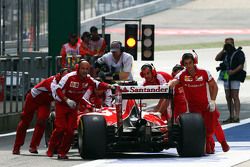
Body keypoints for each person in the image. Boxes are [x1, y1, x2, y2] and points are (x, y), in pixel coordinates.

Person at [47, 59, 111, 159]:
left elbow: (98, 84)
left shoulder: (88, 78)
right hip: (62, 105)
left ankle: (62, 152)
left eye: (87, 69)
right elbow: (57, 89)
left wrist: (110, 86)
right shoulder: (69, 77)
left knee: (70, 131)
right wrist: (66, 100)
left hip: (74, 107)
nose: (85, 71)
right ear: (78, 69)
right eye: (82, 69)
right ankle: (51, 148)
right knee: (60, 128)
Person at [168, 53, 219, 154]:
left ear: (194, 62)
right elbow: (173, 82)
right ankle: (205, 147)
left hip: (207, 106)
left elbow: (214, 86)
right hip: (193, 109)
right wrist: (169, 84)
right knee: (199, 131)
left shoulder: (204, 72)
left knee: (210, 128)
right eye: (186, 63)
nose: (188, 66)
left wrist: (213, 100)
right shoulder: (182, 74)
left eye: (190, 63)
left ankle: (212, 144)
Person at [12, 68, 69, 155]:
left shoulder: (66, 83)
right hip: (33, 99)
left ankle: (33, 146)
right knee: (25, 121)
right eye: (65, 76)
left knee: (42, 121)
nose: (66, 79)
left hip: (45, 102)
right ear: (60, 75)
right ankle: (17, 147)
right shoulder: (52, 82)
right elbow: (58, 95)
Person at [215, 37, 246, 123]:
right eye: (226, 43)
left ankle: (237, 116)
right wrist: (223, 49)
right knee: (228, 96)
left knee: (235, 96)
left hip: (235, 76)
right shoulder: (225, 53)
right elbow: (217, 58)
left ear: (233, 43)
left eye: (229, 44)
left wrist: (233, 72)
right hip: (226, 76)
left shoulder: (239, 53)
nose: (227, 45)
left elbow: (241, 65)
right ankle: (231, 116)